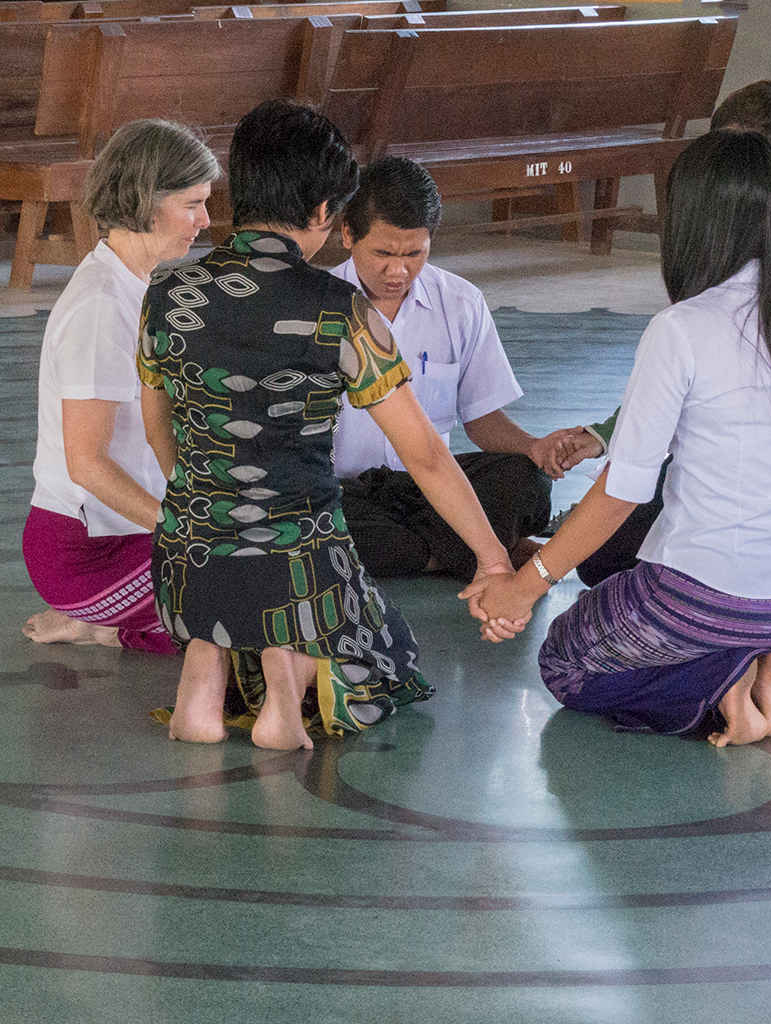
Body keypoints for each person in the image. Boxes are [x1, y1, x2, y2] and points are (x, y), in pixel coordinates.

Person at [461, 131, 771, 747]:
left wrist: (524, 586)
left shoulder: (681, 329)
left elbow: (623, 490)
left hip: (702, 596)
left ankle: (728, 686)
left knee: (564, 661)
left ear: (693, 221)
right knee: (638, 592)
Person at [139, 101, 514, 751]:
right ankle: (285, 693)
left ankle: (205, 671)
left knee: (232, 563)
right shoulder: (339, 310)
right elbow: (425, 453)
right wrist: (492, 556)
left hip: (186, 561)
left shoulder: (166, 295)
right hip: (299, 566)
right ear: (322, 214)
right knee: (387, 660)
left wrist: (216, 505)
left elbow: (157, 429)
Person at [553, 80, 771, 586]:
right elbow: (679, 376)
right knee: (602, 556)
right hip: (714, 463)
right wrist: (603, 436)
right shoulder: (713, 247)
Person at [329, 156, 584, 581]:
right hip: (348, 492)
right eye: (383, 253)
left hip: (437, 490)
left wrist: (534, 447)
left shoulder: (461, 303)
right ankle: (468, 549)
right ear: (347, 235)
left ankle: (433, 552)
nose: (398, 270)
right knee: (315, 519)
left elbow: (481, 419)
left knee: (527, 479)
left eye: (414, 253)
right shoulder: (318, 307)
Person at [21, 120, 219, 654]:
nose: (205, 219)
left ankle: (113, 623)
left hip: (129, 533)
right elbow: (87, 464)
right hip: (85, 555)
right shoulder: (102, 307)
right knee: (259, 616)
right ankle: (105, 627)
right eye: (192, 204)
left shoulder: (137, 286)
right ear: (146, 202)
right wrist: (188, 528)